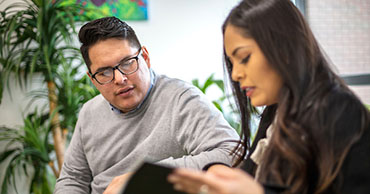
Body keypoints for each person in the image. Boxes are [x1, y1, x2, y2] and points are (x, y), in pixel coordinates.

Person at [168, 0, 370, 193]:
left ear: (285, 49)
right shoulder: (276, 112)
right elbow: (253, 178)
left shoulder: (342, 114)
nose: (235, 74)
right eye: (232, 62)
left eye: (244, 58)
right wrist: (218, 173)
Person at [53, 16, 240, 194]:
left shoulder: (181, 99)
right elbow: (73, 178)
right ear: (93, 80)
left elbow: (232, 152)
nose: (120, 78)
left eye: (127, 63)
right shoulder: (89, 112)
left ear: (146, 57)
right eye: (104, 73)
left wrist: (145, 177)